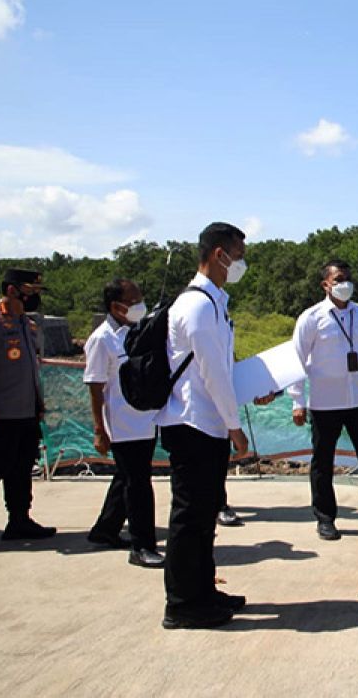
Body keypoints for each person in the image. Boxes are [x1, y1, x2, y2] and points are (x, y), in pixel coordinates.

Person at [154, 222, 251, 630]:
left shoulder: (213, 302)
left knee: (203, 514)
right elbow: (211, 372)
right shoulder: (197, 305)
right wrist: (235, 425)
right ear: (218, 254)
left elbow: (221, 368)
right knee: (190, 517)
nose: (241, 264)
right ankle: (181, 603)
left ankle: (202, 589)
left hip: (203, 422)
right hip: (194, 423)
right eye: (238, 255)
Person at [286, 259, 358, 541]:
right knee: (322, 462)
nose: (345, 284)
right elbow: (296, 360)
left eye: (348, 278)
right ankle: (325, 518)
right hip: (326, 403)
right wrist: (297, 401)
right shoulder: (311, 318)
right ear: (325, 284)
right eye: (338, 279)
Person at [83, 278, 164, 567]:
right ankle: (142, 546)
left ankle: (105, 530)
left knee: (127, 478)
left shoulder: (138, 332)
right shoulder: (102, 339)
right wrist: (99, 430)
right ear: (117, 306)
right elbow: (95, 386)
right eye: (134, 300)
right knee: (138, 484)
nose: (140, 303)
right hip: (122, 423)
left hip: (145, 419)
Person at [0, 268, 56, 540]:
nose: (33, 297)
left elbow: (31, 369)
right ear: (12, 290)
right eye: (30, 291)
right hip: (0, 413)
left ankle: (19, 519)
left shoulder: (27, 325)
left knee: (21, 469)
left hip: (26, 411)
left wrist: (39, 403)